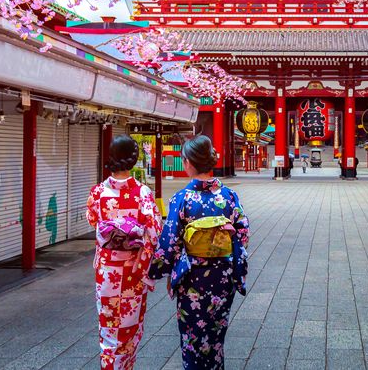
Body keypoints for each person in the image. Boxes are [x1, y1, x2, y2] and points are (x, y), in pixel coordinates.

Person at [149, 135, 250, 369]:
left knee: (192, 338)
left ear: (189, 163)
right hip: (223, 276)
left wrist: (155, 272)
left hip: (193, 278)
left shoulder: (182, 198)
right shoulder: (228, 196)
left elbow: (170, 242)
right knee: (215, 337)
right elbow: (243, 234)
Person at [86, 135, 162, 370]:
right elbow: (154, 230)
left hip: (107, 271)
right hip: (132, 270)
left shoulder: (98, 193)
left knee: (108, 329)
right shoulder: (143, 193)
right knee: (129, 330)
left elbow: (92, 221)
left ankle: (109, 365)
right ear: (134, 159)